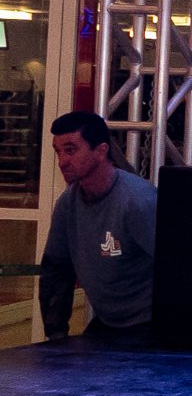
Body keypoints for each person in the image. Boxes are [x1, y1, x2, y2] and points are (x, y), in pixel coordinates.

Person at [37, 111, 156, 345]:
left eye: (70, 150)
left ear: (101, 151)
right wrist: (56, 337)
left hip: (151, 325)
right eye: (58, 152)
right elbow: (56, 271)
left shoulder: (139, 202)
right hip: (109, 323)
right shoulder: (67, 203)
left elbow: (180, 269)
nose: (62, 161)